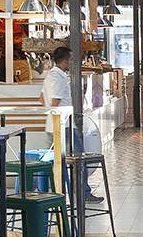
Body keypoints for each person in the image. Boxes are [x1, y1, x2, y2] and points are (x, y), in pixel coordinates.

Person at [42, 45, 104, 203]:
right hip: (64, 126)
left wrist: (48, 114)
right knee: (79, 160)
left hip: (53, 126)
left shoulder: (51, 75)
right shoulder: (58, 78)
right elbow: (54, 102)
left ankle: (59, 193)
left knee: (58, 162)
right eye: (70, 60)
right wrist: (55, 115)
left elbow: (41, 98)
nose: (72, 63)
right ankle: (82, 193)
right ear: (64, 61)